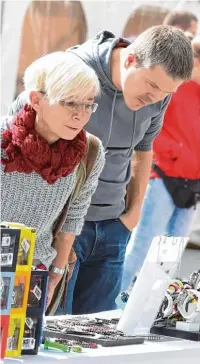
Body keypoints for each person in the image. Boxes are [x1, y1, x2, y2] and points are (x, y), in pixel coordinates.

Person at [9, 25, 193, 314]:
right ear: (131, 60)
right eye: (153, 87)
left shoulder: (158, 94)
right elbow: (23, 128)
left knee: (98, 335)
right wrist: (54, 233)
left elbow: (144, 149)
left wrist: (132, 214)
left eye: (166, 93)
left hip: (113, 227)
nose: (157, 98)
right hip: (63, 230)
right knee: (55, 329)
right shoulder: (75, 70)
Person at [1, 51, 105, 308]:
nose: (80, 115)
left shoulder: (89, 152)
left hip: (33, 276)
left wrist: (56, 273)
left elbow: (72, 219)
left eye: (88, 104)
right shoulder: (4, 142)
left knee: (22, 350)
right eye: (70, 103)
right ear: (36, 99)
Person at [121, 35, 200, 292]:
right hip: (163, 177)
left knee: (171, 253)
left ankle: (151, 305)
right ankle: (115, 299)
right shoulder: (174, 89)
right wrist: (174, 153)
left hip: (192, 183)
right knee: (143, 243)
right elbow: (153, 129)